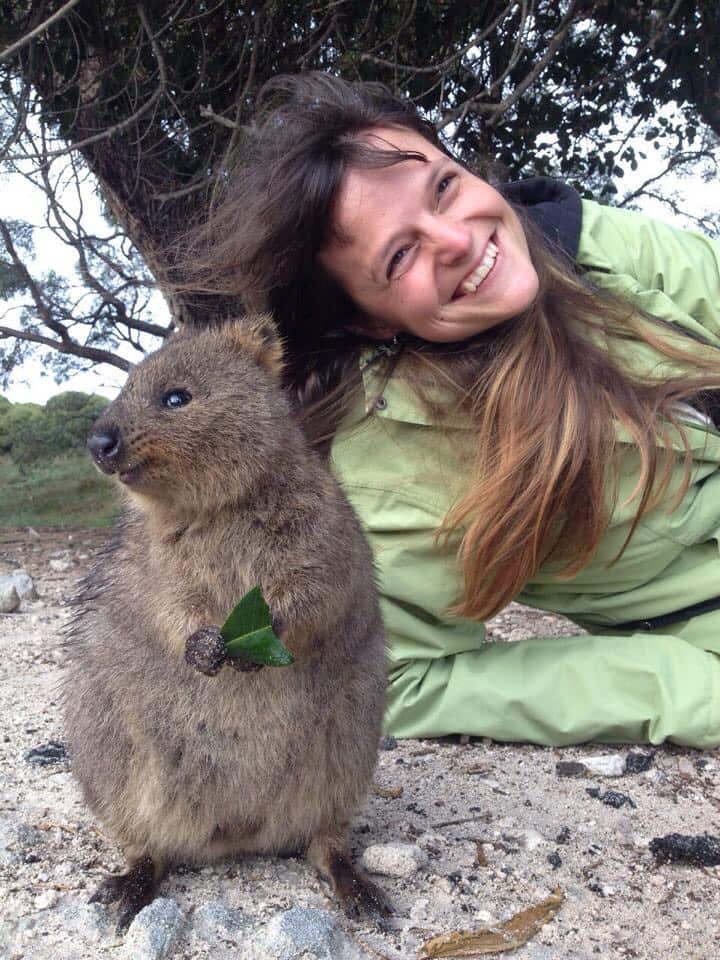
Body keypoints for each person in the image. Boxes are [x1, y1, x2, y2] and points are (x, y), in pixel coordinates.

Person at [186, 72, 720, 748]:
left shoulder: (591, 243)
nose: (459, 240)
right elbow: (399, 680)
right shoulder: (396, 469)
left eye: (443, 187)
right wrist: (682, 688)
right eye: (401, 255)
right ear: (371, 323)